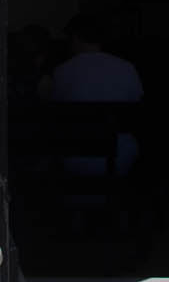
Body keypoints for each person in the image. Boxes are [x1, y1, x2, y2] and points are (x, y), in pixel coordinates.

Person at [44, 13, 143, 177]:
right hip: (121, 153)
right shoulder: (126, 68)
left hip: (75, 153)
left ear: (75, 38)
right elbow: (136, 107)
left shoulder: (63, 71)